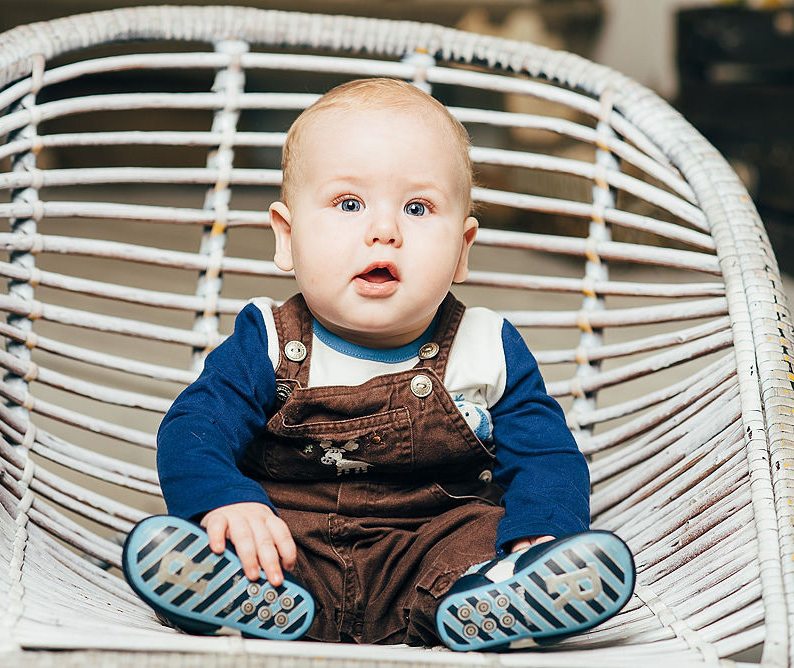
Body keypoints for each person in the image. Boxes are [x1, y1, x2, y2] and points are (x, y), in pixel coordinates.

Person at [122, 78, 635, 651]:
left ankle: (504, 594)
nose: (384, 231)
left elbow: (547, 456)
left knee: (483, 534)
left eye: (418, 207)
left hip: (430, 547)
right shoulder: (265, 341)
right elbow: (194, 432)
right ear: (287, 239)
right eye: (349, 204)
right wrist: (224, 501)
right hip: (292, 549)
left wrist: (541, 536)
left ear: (463, 248)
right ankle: (235, 594)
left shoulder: (486, 346)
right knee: (240, 542)